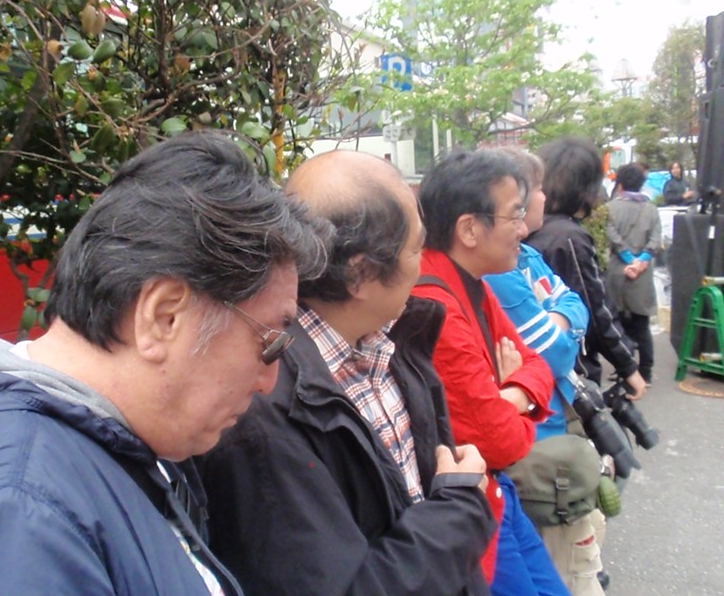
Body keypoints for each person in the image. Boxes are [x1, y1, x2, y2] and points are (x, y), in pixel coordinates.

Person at [0, 131, 331, 595]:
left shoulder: (101, 451)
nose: (269, 381)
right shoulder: (15, 517)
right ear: (163, 317)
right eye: (270, 343)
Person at [199, 150, 496, 596]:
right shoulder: (264, 409)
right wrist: (461, 506)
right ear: (359, 274)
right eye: (416, 248)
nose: (423, 264)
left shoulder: (392, 341)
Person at [411, 147, 567, 596]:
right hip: (475, 508)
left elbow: (538, 363)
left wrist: (508, 395)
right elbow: (502, 442)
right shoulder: (436, 304)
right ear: (469, 229)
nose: (524, 228)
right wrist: (522, 395)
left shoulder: (468, 282)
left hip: (496, 491)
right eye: (514, 214)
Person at [484, 147, 607, 596]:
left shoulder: (525, 256)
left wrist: (560, 319)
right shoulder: (500, 271)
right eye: (535, 190)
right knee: (571, 568)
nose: (544, 198)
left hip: (553, 434)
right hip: (541, 450)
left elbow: (574, 304)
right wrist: (563, 322)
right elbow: (555, 354)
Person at [525, 138, 647, 400]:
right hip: (570, 368)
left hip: (533, 364)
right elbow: (595, 308)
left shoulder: (528, 229)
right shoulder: (569, 237)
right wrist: (627, 366)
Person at [606, 163, 662, 387]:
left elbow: (612, 236)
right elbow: (656, 240)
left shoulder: (609, 208)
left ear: (619, 184)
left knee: (618, 324)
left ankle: (624, 370)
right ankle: (646, 372)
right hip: (642, 274)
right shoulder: (651, 209)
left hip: (617, 272)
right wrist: (641, 262)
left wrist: (629, 259)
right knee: (641, 325)